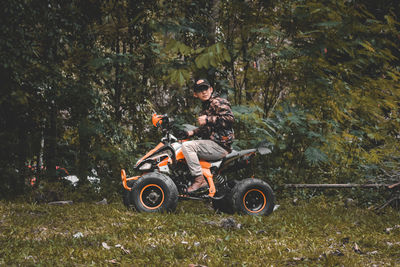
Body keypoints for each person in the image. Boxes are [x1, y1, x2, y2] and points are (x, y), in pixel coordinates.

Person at [182, 79, 235, 193]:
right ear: (195, 94)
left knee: (188, 147)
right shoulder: (206, 107)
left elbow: (230, 119)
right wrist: (191, 133)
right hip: (214, 144)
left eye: (205, 88)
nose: (204, 92)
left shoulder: (217, 102)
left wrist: (207, 119)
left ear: (211, 89)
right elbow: (207, 129)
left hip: (220, 145)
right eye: (200, 90)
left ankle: (199, 180)